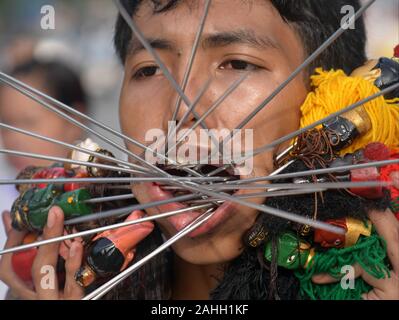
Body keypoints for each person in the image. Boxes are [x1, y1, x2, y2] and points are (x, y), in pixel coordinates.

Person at [0, 0, 398, 300]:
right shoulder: (77, 271)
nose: (181, 108)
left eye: (237, 63)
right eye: (148, 70)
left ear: (333, 99)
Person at [0, 58, 87, 299]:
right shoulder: (9, 204)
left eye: (28, 123)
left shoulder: (105, 199)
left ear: (74, 120)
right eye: (6, 125)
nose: (14, 139)